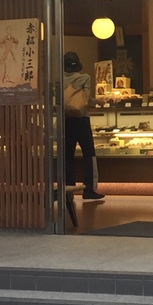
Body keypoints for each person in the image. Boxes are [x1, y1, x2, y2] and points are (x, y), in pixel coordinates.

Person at [62, 52, 103, 200]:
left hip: (65, 120)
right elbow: (85, 99)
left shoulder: (60, 80)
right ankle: (89, 189)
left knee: (67, 156)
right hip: (81, 120)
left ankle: (68, 190)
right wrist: (98, 102)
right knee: (89, 154)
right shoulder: (85, 78)